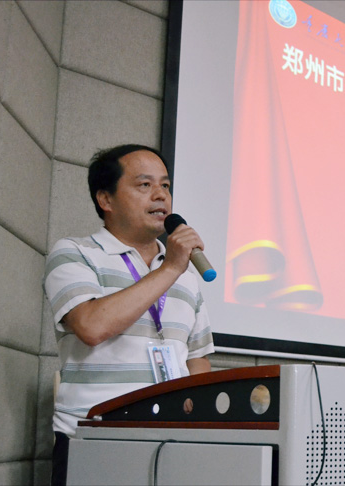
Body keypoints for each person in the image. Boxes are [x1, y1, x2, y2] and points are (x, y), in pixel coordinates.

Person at [44, 144, 214, 485]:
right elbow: (91, 326)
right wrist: (170, 269)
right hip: (94, 442)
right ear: (105, 199)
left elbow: (197, 360)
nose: (160, 196)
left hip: (171, 444)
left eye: (165, 186)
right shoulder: (75, 253)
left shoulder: (187, 277)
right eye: (144, 185)